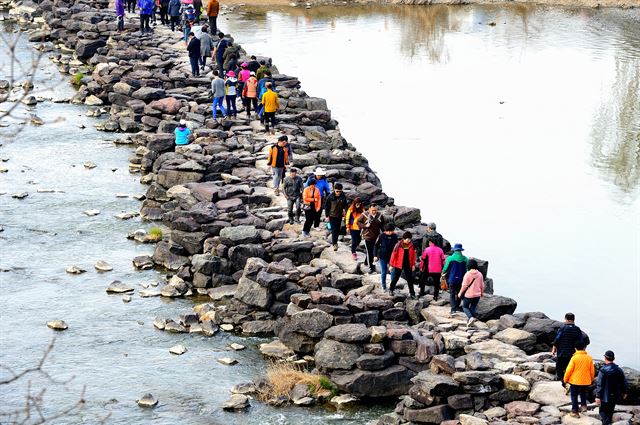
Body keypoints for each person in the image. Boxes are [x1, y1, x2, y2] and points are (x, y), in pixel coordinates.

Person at [552, 313, 586, 386]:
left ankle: (564, 383)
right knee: (571, 369)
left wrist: (554, 349)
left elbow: (557, 339)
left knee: (559, 368)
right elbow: (581, 341)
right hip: (572, 354)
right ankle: (570, 382)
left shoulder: (562, 328)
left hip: (561, 353)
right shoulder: (577, 329)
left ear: (566, 319)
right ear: (574, 320)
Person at [596, 350, 628, 425]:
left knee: (602, 412)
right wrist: (625, 392)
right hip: (615, 395)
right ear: (613, 358)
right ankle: (608, 422)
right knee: (610, 412)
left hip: (604, 396)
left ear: (605, 358)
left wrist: (598, 396)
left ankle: (607, 423)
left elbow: (600, 384)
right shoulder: (619, 370)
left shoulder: (603, 370)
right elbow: (624, 382)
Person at [564, 341, 595, 418]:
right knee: (583, 393)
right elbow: (592, 371)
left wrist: (565, 379)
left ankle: (575, 411)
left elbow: (569, 370)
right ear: (584, 348)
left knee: (574, 395)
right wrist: (591, 379)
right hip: (585, 380)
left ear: (575, 348)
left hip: (575, 380)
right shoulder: (589, 358)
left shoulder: (574, 358)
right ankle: (583, 406)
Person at [357, 203, 385, 273]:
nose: (374, 212)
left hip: (377, 236)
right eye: (372, 210)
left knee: (373, 251)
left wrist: (385, 234)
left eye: (375, 210)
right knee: (370, 252)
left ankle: (366, 262)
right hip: (367, 236)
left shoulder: (380, 215)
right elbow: (357, 222)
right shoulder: (364, 215)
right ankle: (371, 268)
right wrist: (365, 226)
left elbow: (383, 225)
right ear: (369, 209)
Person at [389, 232, 417, 298]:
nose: (409, 241)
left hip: (408, 265)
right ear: (404, 239)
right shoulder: (398, 245)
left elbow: (413, 256)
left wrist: (413, 265)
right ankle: (391, 289)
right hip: (399, 264)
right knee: (396, 278)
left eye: (410, 239)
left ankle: (412, 293)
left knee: (410, 279)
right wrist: (391, 265)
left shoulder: (411, 245)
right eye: (407, 239)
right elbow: (393, 255)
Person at [442, 243, 468, 314]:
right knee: (460, 293)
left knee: (452, 294)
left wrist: (442, 273)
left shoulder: (450, 258)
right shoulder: (465, 259)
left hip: (452, 279)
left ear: (454, 250)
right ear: (461, 250)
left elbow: (445, 268)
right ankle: (457, 306)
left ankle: (453, 309)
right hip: (461, 280)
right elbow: (467, 270)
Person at [458, 259, 485, 324]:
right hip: (477, 295)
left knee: (465, 307)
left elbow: (464, 286)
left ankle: (470, 318)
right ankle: (471, 322)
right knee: (473, 307)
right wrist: (481, 293)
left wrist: (460, 293)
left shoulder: (467, 274)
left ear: (469, 265)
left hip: (468, 295)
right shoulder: (480, 274)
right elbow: (482, 285)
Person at [324, 183, 348, 251]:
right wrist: (326, 216)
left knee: (337, 229)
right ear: (334, 190)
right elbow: (326, 207)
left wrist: (346, 212)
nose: (338, 193)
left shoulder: (343, 196)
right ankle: (335, 244)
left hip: (339, 215)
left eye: (340, 191)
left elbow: (345, 205)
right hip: (332, 216)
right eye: (337, 191)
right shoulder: (330, 196)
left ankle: (337, 240)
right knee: (334, 229)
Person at [374, 223, 398, 290]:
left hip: (392, 257)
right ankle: (383, 286)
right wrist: (375, 255)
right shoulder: (381, 236)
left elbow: (397, 247)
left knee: (393, 271)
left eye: (391, 231)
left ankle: (392, 286)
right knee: (384, 271)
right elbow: (376, 245)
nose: (389, 233)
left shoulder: (395, 236)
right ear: (385, 231)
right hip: (382, 256)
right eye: (388, 231)